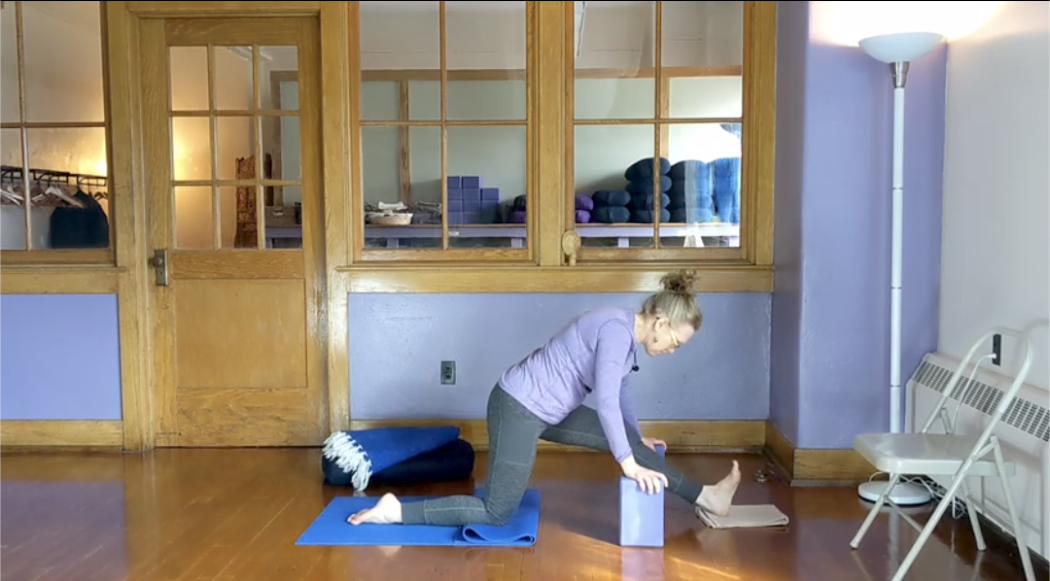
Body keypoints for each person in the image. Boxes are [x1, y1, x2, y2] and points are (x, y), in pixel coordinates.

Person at [348, 269, 741, 527]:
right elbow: (605, 402)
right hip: (516, 407)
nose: (672, 350)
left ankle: (707, 496)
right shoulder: (615, 330)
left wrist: (635, 440)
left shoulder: (626, 341)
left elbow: (621, 396)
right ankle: (395, 510)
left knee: (632, 445)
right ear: (660, 322)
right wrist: (627, 464)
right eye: (675, 342)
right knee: (496, 512)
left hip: (553, 410)